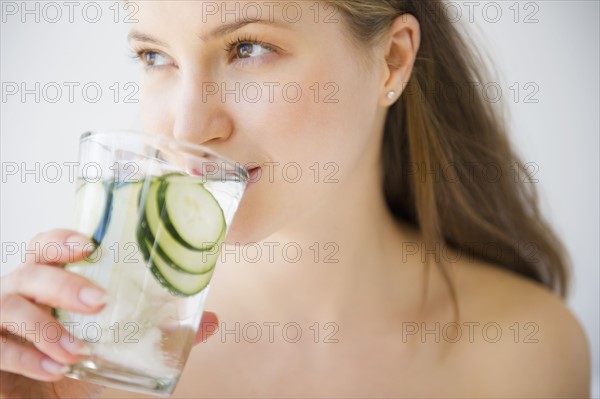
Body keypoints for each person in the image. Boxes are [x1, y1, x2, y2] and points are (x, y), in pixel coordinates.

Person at [0, 1, 591, 397]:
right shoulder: (106, 358)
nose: (186, 127)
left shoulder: (526, 352)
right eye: (155, 57)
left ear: (393, 59)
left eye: (249, 48)